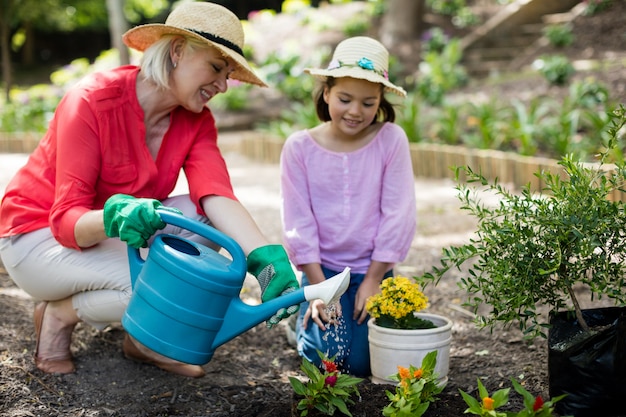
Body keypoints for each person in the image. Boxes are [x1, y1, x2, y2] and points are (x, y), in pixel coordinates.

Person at [0, 2, 299, 378]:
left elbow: (215, 194)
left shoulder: (196, 120)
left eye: (228, 74)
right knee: (168, 285)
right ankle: (59, 315)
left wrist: (266, 262)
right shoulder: (91, 101)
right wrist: (114, 215)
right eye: (217, 68)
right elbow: (65, 222)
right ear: (177, 52)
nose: (224, 85)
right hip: (35, 238)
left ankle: (141, 341)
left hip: (106, 237)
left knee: (202, 214)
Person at [280, 36, 416, 377]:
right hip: (321, 270)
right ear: (326, 93)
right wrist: (318, 288)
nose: (356, 111)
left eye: (368, 103)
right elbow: (298, 221)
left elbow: (397, 213)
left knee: (368, 362)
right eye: (345, 99)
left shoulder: (390, 140)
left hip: (373, 269)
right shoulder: (299, 148)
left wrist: (374, 279)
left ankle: (327, 316)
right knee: (332, 362)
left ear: (380, 102)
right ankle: (303, 320)